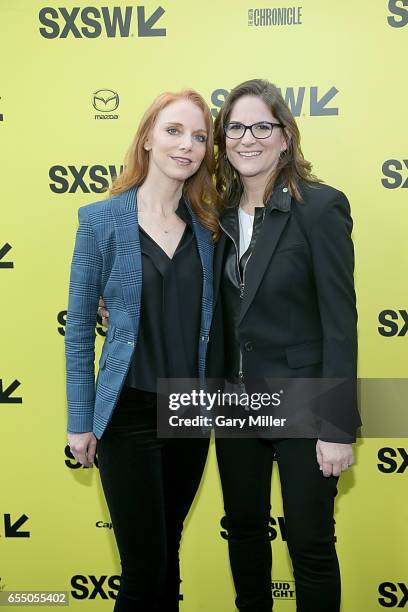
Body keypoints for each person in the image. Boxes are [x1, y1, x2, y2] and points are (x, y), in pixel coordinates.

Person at [65, 89, 219, 611]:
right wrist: (79, 419)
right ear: (148, 138)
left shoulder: (209, 230)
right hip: (128, 412)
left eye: (199, 137)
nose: (187, 145)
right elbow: (81, 327)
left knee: (168, 562)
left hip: (190, 415)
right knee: (142, 573)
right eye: (174, 131)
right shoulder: (101, 221)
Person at [211, 79, 359, 612]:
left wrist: (338, 426)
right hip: (233, 403)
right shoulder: (216, 214)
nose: (247, 138)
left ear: (285, 136)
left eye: (261, 127)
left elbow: (341, 323)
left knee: (310, 543)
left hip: (303, 402)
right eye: (235, 127)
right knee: (245, 535)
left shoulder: (319, 208)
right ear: (222, 138)